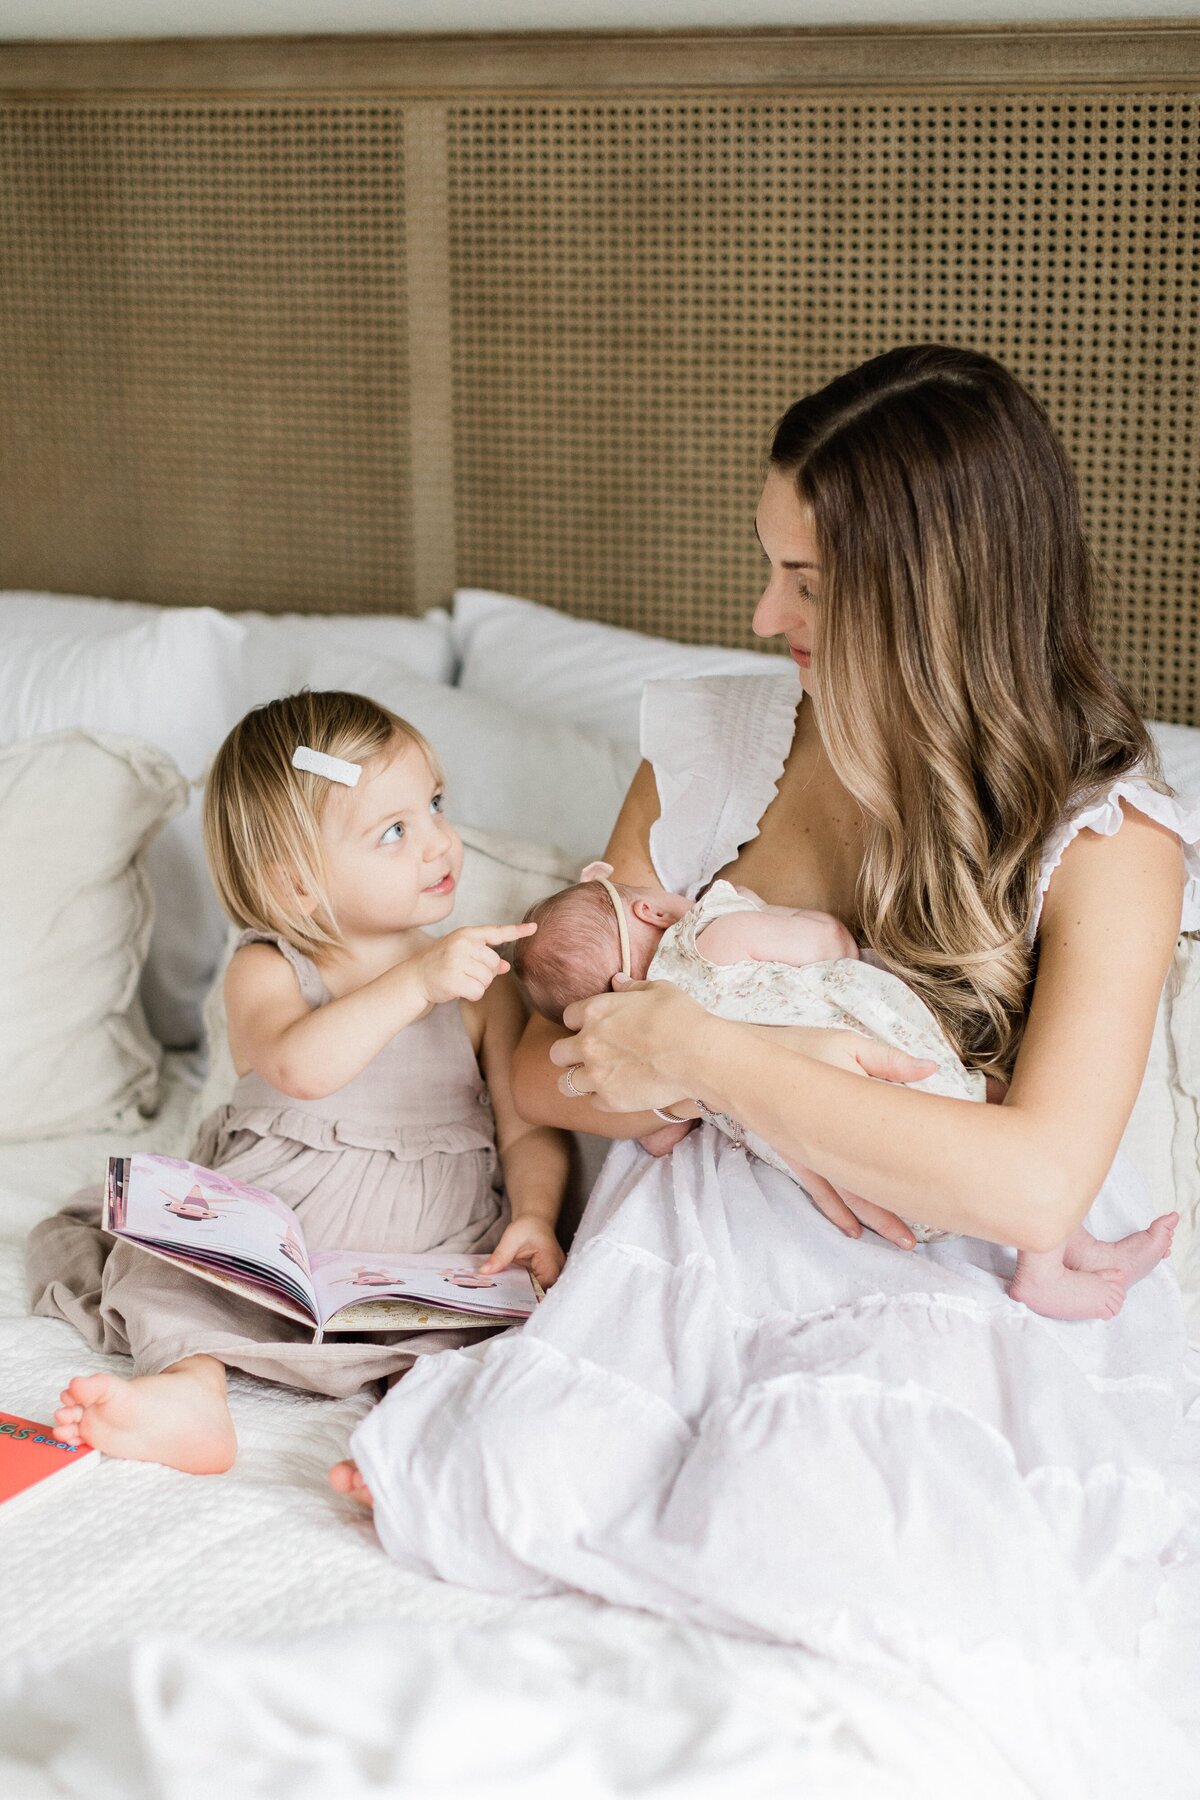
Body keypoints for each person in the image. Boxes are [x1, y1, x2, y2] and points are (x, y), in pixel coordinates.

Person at [328, 351, 1200, 1781]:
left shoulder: (1113, 840)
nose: (760, 616)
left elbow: (1040, 1188)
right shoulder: (716, 751)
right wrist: (693, 1061)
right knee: (525, 1477)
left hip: (940, 1268)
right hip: (687, 1240)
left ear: (932, 599)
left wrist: (711, 1055)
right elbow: (544, 1078)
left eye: (807, 582)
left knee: (848, 1513)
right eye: (768, 567)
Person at [27, 689, 568, 1475]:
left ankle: (416, 1449)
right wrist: (417, 983)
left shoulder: (480, 983)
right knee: (163, 1265)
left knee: (468, 1333)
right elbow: (296, 1066)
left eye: (436, 805)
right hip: (279, 1215)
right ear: (297, 888)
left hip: (427, 1230)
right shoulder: (270, 965)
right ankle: (191, 1391)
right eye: (394, 831)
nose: (440, 844)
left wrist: (538, 1215)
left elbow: (526, 1123)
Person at [513, 864, 1176, 1318]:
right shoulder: (712, 935)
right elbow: (830, 939)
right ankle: (1051, 1265)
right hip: (905, 1099)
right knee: (997, 1099)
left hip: (858, 1188)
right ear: (650, 908)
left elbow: (656, 1133)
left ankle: (1075, 1249)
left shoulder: (644, 1040)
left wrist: (698, 1085)